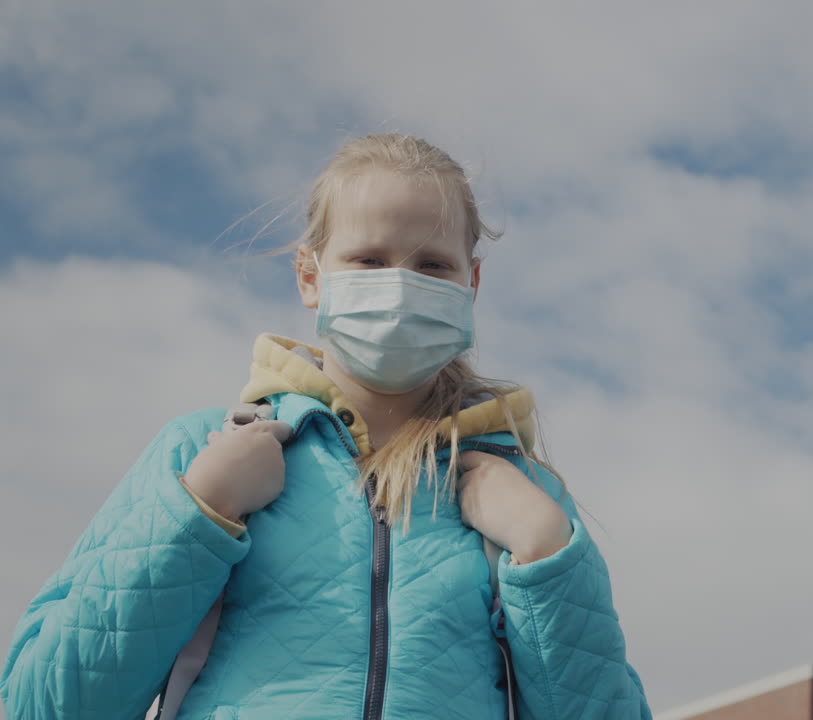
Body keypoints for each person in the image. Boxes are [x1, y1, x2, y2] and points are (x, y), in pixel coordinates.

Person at [1, 134, 652, 719]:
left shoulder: (525, 494)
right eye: (369, 260)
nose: (400, 286)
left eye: (432, 265)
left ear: (471, 283)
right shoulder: (199, 450)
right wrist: (198, 513)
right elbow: (38, 705)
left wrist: (543, 550)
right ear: (311, 278)